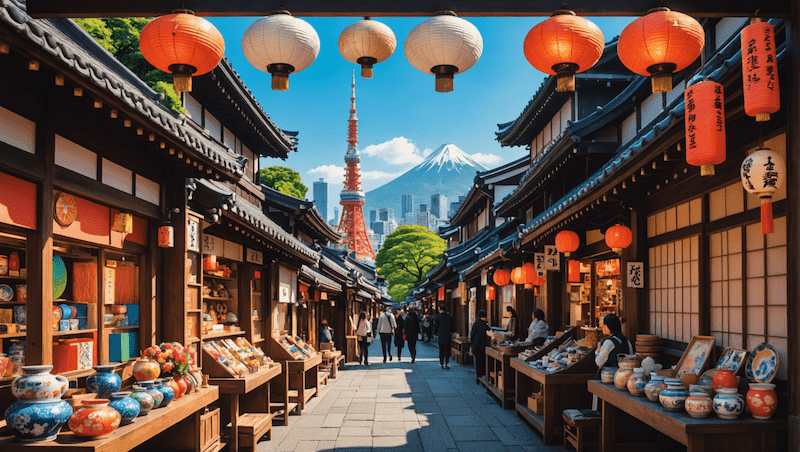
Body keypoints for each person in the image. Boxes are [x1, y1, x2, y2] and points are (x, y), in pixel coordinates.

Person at [470, 309, 491, 384]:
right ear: (485, 316)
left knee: (478, 362)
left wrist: (472, 344)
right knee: (484, 362)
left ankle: (478, 378)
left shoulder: (476, 324)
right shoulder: (486, 324)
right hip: (484, 346)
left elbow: (472, 335)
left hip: (476, 345)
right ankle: (484, 378)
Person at [433, 304, 456, 369]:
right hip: (448, 336)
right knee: (447, 350)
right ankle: (447, 362)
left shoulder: (438, 316)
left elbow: (435, 326)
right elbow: (453, 326)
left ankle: (441, 363)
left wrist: (434, 332)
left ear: (440, 310)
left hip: (441, 336)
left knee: (441, 350)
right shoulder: (450, 316)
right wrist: (453, 332)